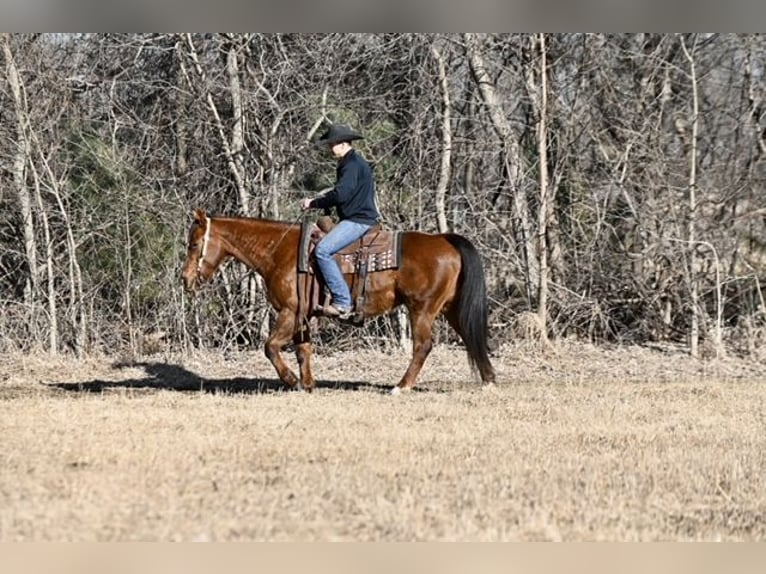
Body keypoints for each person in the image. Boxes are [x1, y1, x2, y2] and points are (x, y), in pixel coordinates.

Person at [301, 123, 380, 319]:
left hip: (358, 221)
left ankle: (343, 302)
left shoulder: (351, 164)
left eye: (332, 144)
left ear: (344, 144)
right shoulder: (353, 162)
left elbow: (342, 194)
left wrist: (314, 203)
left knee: (322, 251)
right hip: (357, 218)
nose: (330, 148)